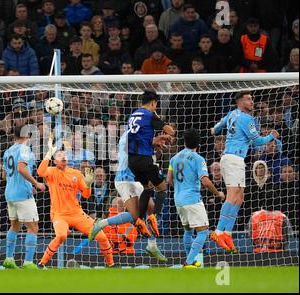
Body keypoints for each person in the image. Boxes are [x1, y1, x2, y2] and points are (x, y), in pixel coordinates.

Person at [210, 91, 280, 253]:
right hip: (233, 159)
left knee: (239, 198)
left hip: (235, 159)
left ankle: (227, 233)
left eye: (252, 99)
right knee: (232, 195)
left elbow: (217, 127)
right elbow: (257, 143)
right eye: (249, 99)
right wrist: (271, 135)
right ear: (240, 102)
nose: (252, 102)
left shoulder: (231, 114)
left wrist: (213, 130)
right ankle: (219, 231)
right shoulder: (247, 119)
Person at [37, 135, 115, 268]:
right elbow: (40, 172)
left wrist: (89, 184)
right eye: (59, 155)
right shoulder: (52, 172)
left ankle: (111, 265)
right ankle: (41, 264)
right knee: (61, 235)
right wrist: (49, 152)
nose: (63, 157)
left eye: (64, 155)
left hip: (77, 214)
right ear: (54, 161)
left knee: (101, 236)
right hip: (59, 214)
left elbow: (85, 195)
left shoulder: (76, 174)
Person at [89, 132, 168, 262]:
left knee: (150, 207)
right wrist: (157, 141)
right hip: (125, 179)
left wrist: (157, 150)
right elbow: (139, 150)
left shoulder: (143, 139)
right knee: (135, 215)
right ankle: (101, 223)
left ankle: (152, 244)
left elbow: (149, 158)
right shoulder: (128, 136)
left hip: (136, 180)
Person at [167, 128, 225, 268]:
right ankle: (188, 262)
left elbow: (169, 179)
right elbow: (205, 181)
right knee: (203, 231)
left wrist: (181, 190)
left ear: (185, 142)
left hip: (178, 199)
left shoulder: (174, 158)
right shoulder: (199, 159)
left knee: (188, 230)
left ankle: (191, 261)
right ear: (198, 143)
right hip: (192, 199)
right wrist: (218, 194)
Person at [127, 91, 175, 228]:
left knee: (147, 187)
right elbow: (170, 130)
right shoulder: (150, 115)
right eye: (156, 105)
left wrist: (157, 139)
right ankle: (155, 218)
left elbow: (140, 138)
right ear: (153, 102)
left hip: (132, 160)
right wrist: (169, 134)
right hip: (145, 159)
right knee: (162, 188)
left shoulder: (133, 115)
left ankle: (139, 221)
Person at [2, 126, 45, 269]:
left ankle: (9, 259)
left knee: (14, 226)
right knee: (33, 227)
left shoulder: (8, 151)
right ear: (27, 135)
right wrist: (36, 183)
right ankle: (28, 262)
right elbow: (21, 168)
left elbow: (4, 175)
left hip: (9, 193)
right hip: (22, 194)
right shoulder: (25, 149)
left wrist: (26, 183)